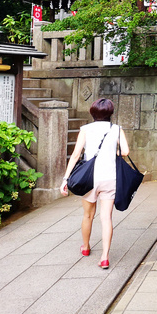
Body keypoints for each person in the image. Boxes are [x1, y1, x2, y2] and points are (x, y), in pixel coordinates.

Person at [60, 98, 129, 269]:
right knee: (106, 218)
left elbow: (76, 155)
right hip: (110, 178)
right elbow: (126, 151)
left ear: (92, 113)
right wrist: (113, 152)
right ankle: (105, 257)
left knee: (88, 215)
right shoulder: (116, 129)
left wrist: (65, 179)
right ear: (110, 113)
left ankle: (86, 247)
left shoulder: (85, 129)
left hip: (89, 178)